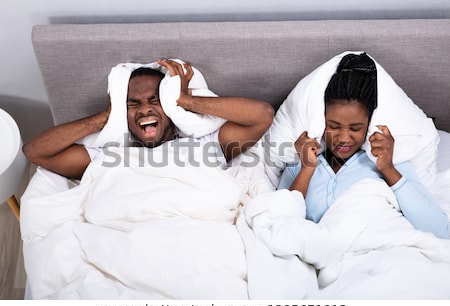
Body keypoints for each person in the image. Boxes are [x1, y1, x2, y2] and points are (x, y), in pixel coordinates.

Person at [277, 52, 449, 239]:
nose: (343, 137)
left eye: (355, 128)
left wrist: (389, 169)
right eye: (333, 126)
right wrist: (306, 170)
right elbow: (281, 225)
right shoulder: (300, 165)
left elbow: (440, 230)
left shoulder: (390, 164)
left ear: (368, 126)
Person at [23, 59, 274, 180]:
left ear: (169, 109)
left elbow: (262, 115)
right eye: (133, 103)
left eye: (155, 100)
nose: (144, 109)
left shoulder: (206, 145)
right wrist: (105, 119)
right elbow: (35, 151)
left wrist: (187, 101)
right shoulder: (110, 157)